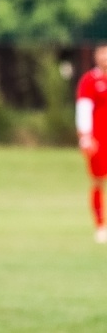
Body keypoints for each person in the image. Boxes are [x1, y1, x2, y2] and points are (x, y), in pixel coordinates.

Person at [75, 43, 107, 243]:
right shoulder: (90, 80)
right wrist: (85, 136)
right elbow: (83, 109)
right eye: (102, 54)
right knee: (98, 181)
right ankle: (100, 225)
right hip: (99, 139)